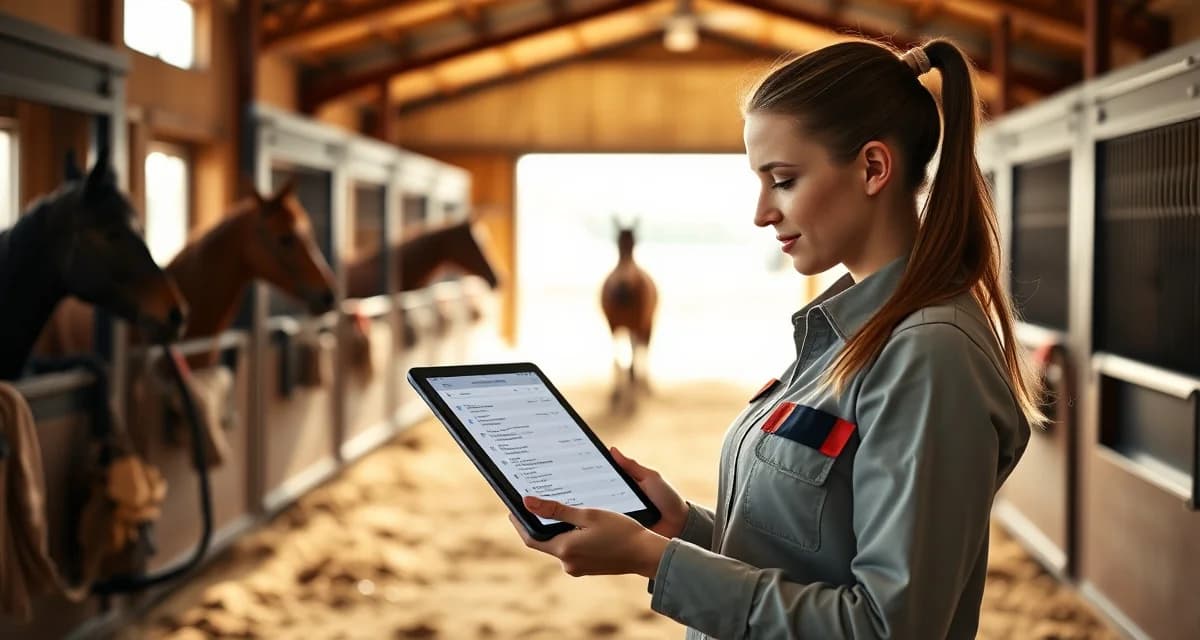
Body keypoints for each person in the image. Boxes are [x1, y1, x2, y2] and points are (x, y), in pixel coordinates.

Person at [508, 37, 1041, 639]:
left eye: (782, 180)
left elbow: (888, 628)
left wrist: (653, 562)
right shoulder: (855, 334)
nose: (762, 212)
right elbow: (814, 559)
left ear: (873, 168)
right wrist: (681, 527)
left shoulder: (927, 355)